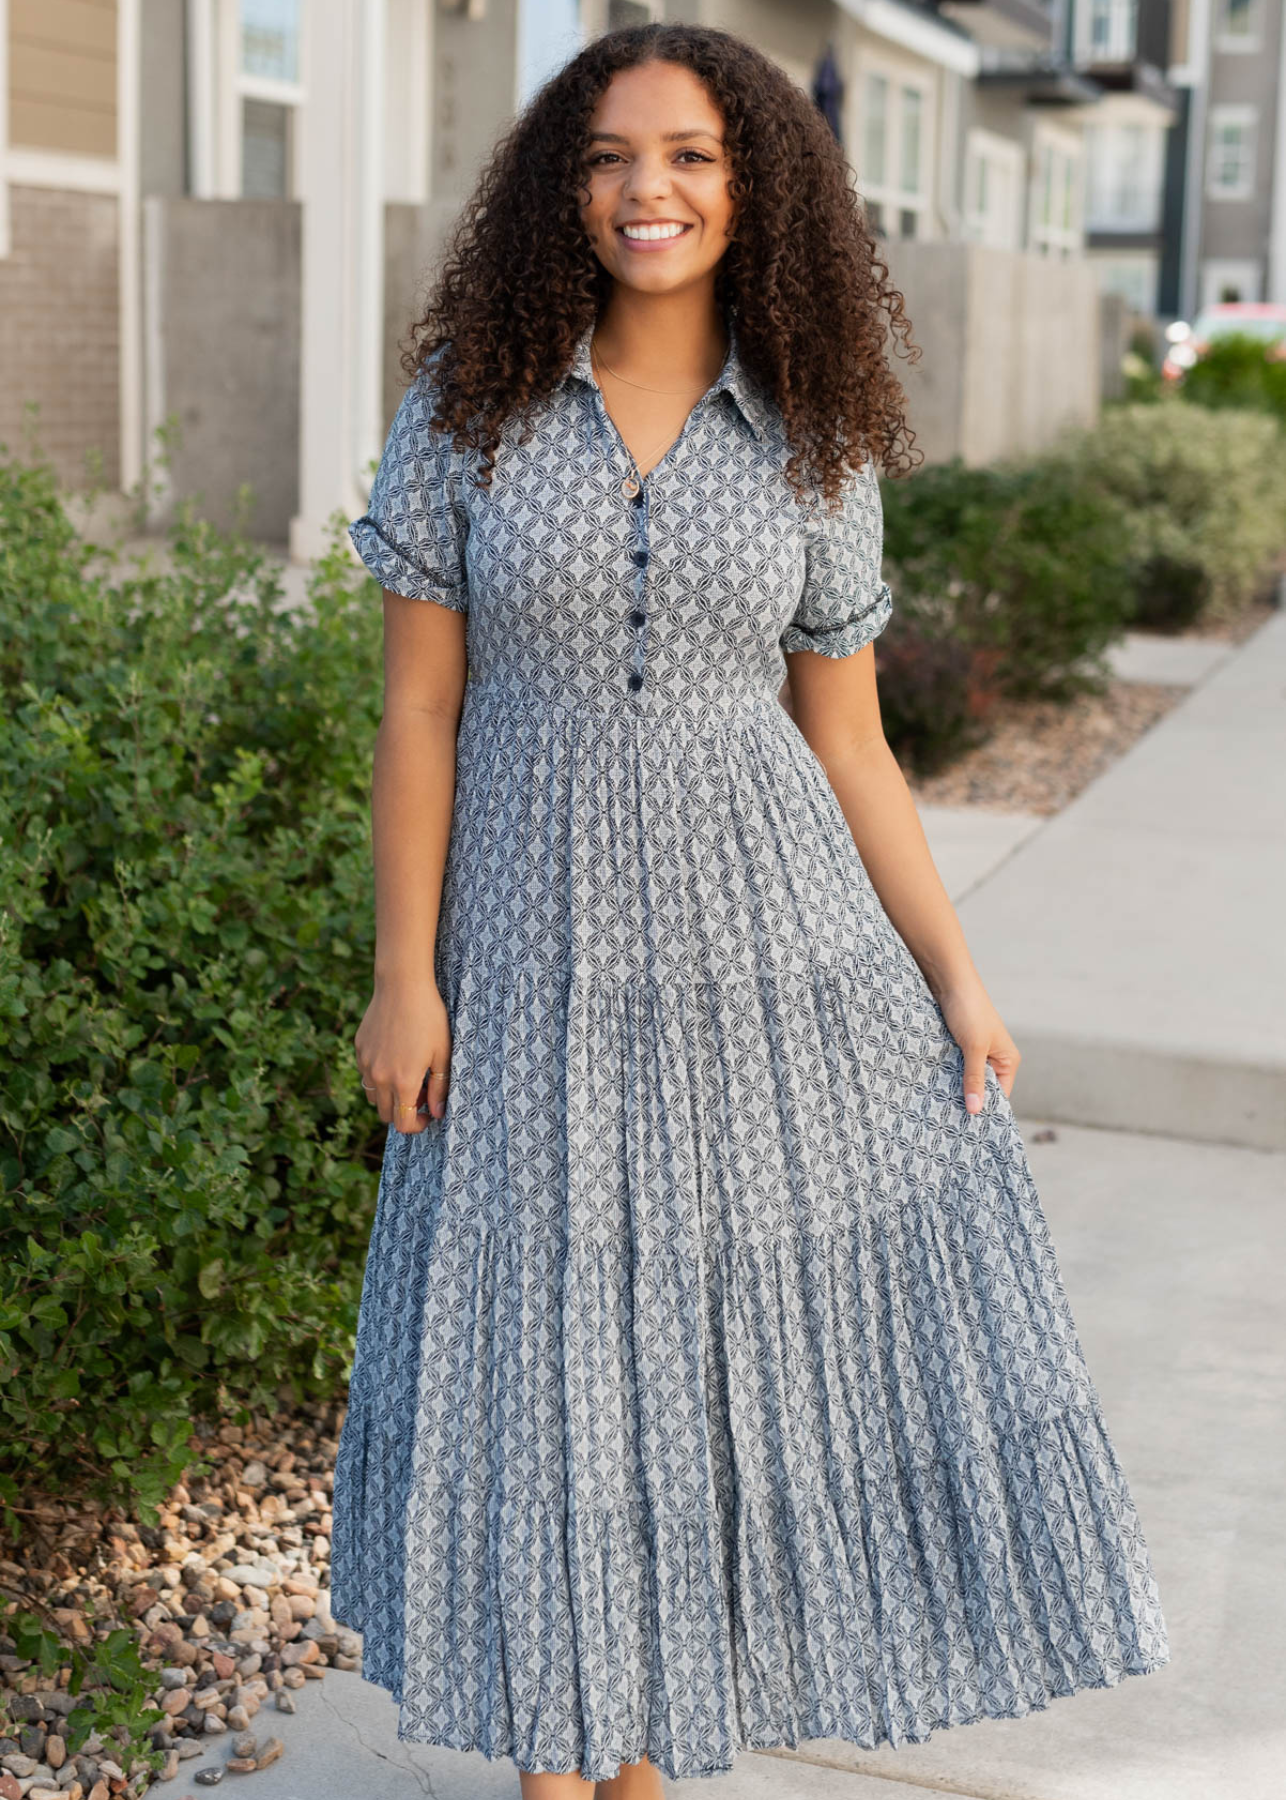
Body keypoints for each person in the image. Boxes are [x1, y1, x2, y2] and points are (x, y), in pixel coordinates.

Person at [332, 22, 1170, 1799]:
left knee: (698, 1373)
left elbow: (849, 746)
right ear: (562, 189)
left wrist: (953, 972)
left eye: (694, 155)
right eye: (612, 155)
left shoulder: (813, 433)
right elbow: (417, 708)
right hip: (529, 952)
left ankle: (633, 1754)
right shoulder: (469, 407)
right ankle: (566, 1750)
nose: (650, 189)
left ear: (753, 184)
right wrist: (404, 974)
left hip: (760, 965)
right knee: (541, 1355)